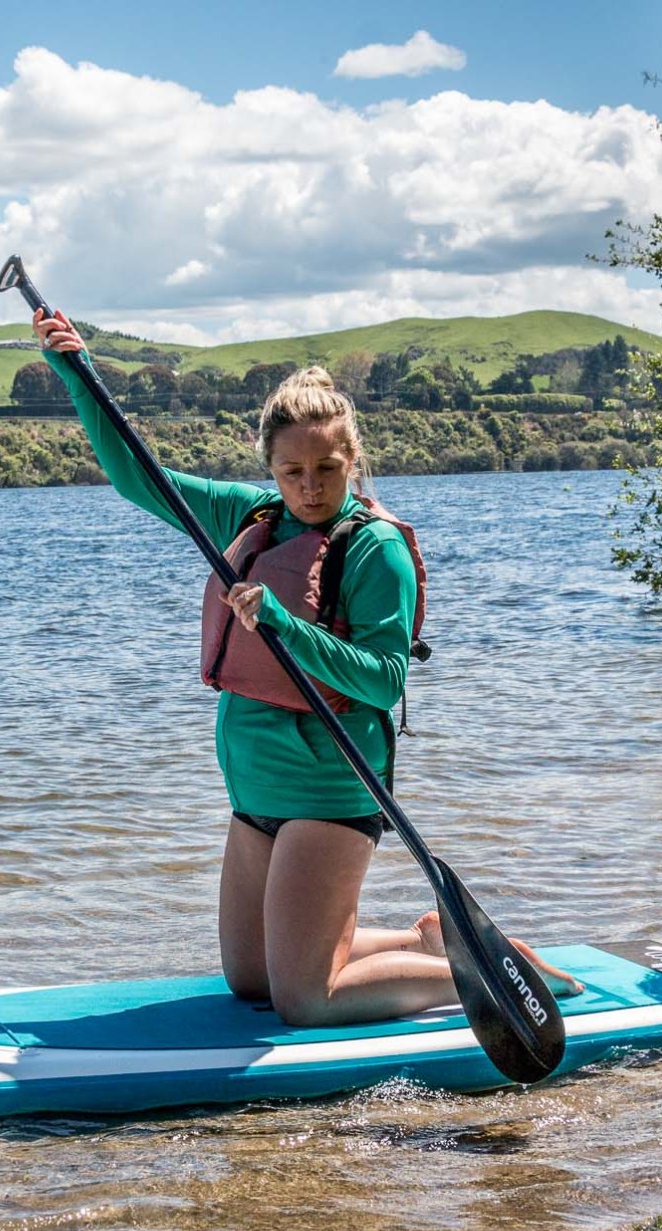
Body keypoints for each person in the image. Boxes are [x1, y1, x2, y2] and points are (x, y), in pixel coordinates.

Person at [35, 310, 578, 1026]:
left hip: (329, 787)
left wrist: (285, 626)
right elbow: (140, 479)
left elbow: (384, 678)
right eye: (293, 471)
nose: (311, 486)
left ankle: (469, 966)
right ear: (271, 467)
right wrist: (78, 372)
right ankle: (422, 935)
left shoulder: (374, 548)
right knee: (251, 980)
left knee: (303, 999)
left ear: (351, 460)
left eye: (327, 469)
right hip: (254, 785)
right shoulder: (251, 515)